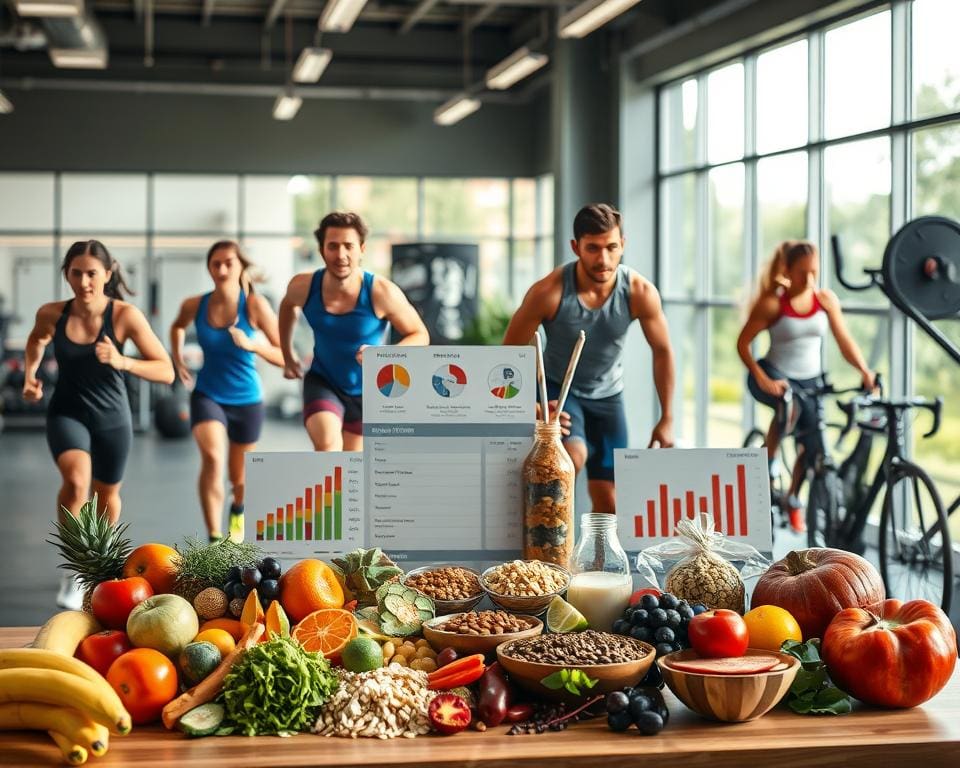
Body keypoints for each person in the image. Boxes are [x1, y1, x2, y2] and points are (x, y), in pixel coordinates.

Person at [23, 240, 174, 609]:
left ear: (108, 273)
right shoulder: (52, 313)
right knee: (76, 482)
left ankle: (96, 568)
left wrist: (123, 361)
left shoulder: (124, 316)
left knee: (106, 495)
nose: (85, 281)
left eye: (92, 273)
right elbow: (36, 341)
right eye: (77, 273)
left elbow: (166, 370)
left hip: (112, 418)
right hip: (67, 412)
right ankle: (75, 567)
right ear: (67, 275)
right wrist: (30, 374)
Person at [503, 203, 676, 515]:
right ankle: (550, 558)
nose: (604, 259)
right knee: (570, 460)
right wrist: (530, 404)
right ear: (576, 247)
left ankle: (595, 562)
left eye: (611, 247)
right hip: (559, 390)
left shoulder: (639, 292)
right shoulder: (549, 292)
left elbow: (662, 351)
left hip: (609, 396)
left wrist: (667, 418)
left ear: (622, 244)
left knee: (609, 502)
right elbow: (508, 354)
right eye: (593, 248)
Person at [736, 239, 876, 532]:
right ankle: (766, 467)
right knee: (788, 408)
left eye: (814, 272)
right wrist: (763, 378)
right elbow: (743, 344)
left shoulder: (825, 300)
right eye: (802, 272)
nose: (810, 279)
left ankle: (793, 498)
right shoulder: (773, 302)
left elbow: (844, 342)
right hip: (775, 375)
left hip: (812, 380)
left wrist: (864, 370)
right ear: (787, 269)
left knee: (812, 443)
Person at [278, 211, 429, 451]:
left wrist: (383, 355)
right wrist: (287, 355)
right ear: (321, 250)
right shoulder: (303, 286)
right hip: (323, 380)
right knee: (328, 446)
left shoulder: (381, 292)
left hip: (369, 389)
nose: (341, 255)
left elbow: (420, 335)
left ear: (361, 249)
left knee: (352, 467)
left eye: (348, 246)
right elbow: (287, 306)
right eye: (333, 246)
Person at [170, 241, 284, 543]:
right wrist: (178, 358)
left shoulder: (255, 305)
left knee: (240, 479)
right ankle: (214, 535)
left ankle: (237, 510)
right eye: (215, 263)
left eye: (228, 263)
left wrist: (253, 345)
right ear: (209, 267)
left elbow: (285, 355)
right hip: (208, 394)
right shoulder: (196, 304)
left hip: (247, 400)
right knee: (212, 458)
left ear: (240, 267)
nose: (221, 269)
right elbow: (177, 326)